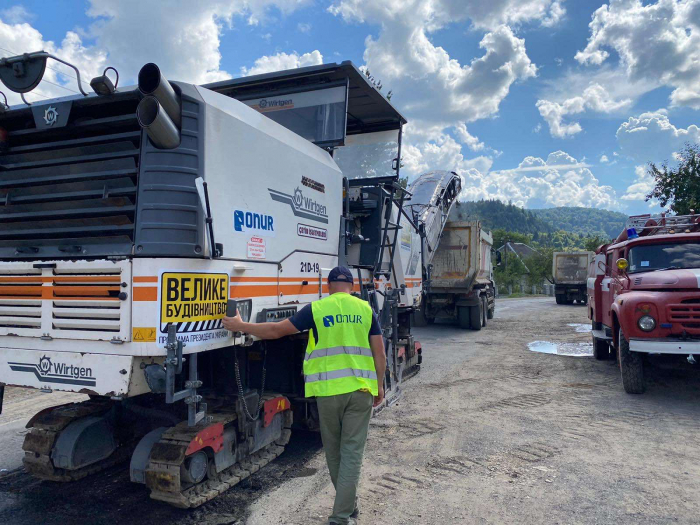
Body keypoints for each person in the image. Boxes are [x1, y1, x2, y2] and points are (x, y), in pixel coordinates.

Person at [222, 266, 386, 525]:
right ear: (353, 287)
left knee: (334, 453)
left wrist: (242, 326)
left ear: (329, 286)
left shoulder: (317, 309)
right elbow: (380, 353)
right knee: (352, 452)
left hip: (329, 392)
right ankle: (345, 510)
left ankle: (343, 513)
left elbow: (276, 331)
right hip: (361, 391)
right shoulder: (366, 310)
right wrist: (381, 386)